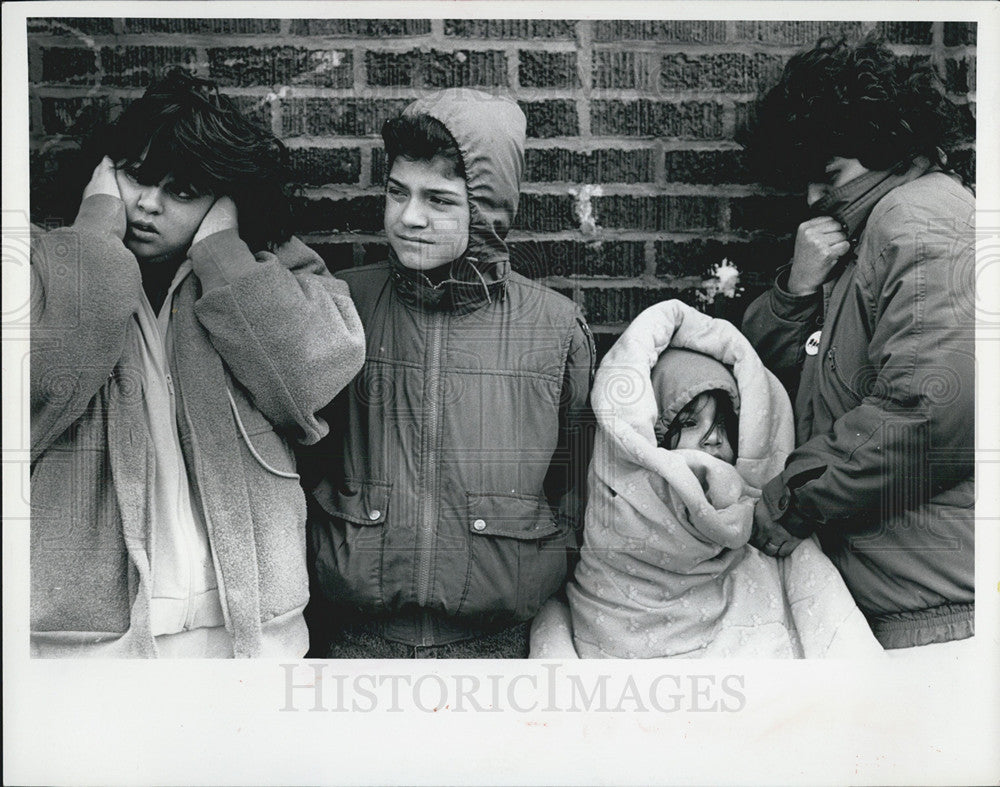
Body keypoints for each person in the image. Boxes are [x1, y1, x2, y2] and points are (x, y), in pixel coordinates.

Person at [29, 70, 366, 657]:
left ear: (224, 204)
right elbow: (39, 382)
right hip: (86, 642)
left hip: (249, 629)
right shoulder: (40, 269)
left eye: (183, 191)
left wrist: (222, 257)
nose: (150, 204)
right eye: (135, 176)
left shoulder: (273, 273)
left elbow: (311, 382)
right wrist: (95, 237)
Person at [303, 88, 595, 658]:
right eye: (397, 192)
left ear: (485, 213)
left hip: (496, 646)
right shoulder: (342, 305)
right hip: (354, 640)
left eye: (439, 200)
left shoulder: (556, 329)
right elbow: (303, 458)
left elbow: (575, 487)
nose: (410, 217)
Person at [739, 37, 975, 653]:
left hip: (932, 609)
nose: (814, 202)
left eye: (831, 177)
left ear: (887, 150)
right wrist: (794, 292)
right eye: (808, 182)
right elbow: (776, 387)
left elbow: (928, 413)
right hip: (889, 598)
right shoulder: (870, 229)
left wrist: (790, 502)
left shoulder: (918, 221)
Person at [529, 299, 881, 659]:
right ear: (653, 435)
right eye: (690, 423)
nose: (713, 439)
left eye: (723, 426)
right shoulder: (614, 505)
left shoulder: (764, 522)